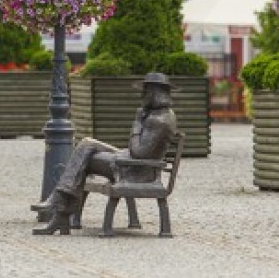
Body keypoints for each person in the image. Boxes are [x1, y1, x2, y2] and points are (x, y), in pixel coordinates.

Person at [31, 72, 179, 235]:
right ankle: (59, 202)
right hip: (128, 160)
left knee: (85, 159)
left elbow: (138, 152)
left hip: (136, 170)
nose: (142, 95)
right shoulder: (161, 114)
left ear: (154, 93)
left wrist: (137, 124)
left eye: (145, 91)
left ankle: (59, 210)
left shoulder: (157, 120)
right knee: (87, 144)